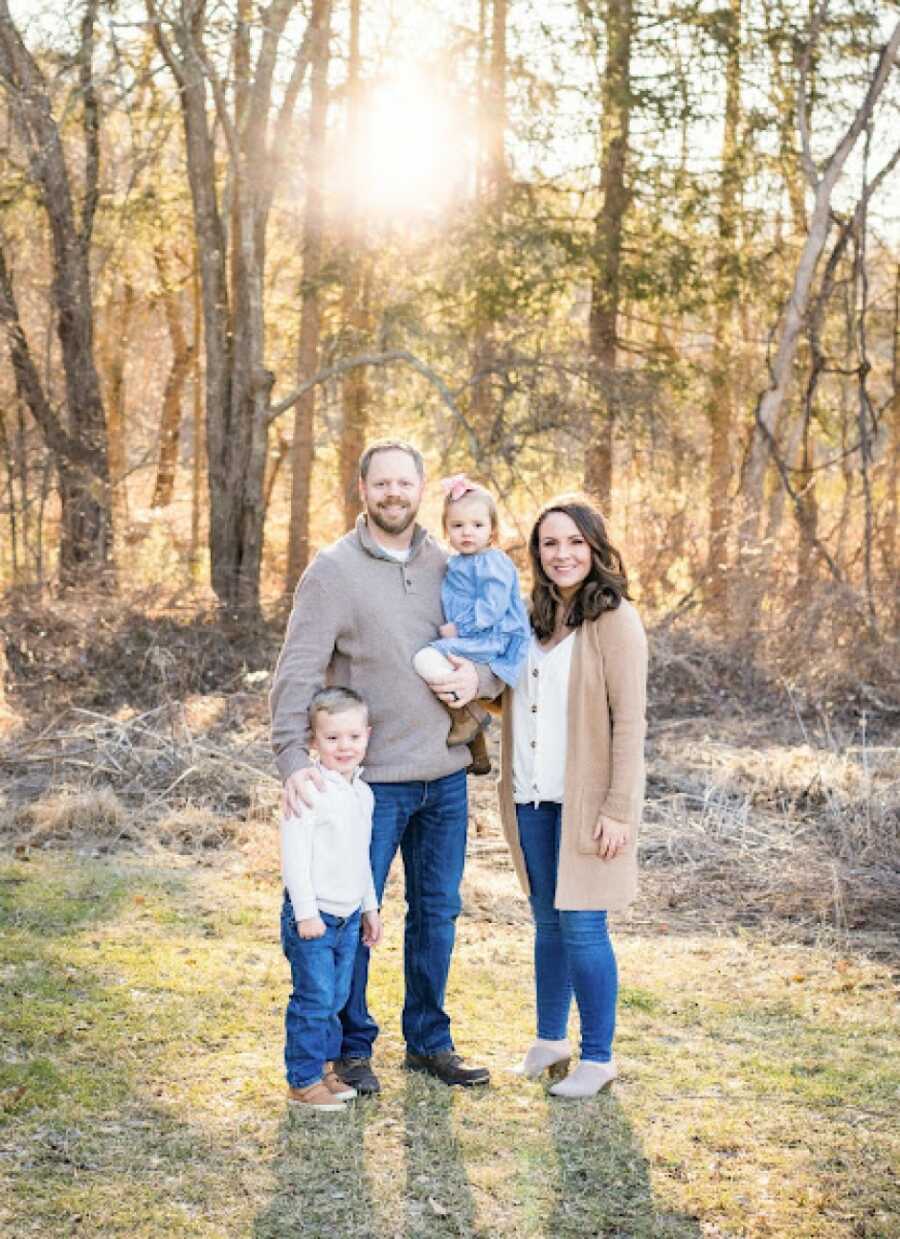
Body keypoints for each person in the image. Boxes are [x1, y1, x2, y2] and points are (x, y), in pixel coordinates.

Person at [270, 440, 501, 1094]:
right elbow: (296, 673)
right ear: (363, 489)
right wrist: (292, 758)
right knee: (349, 917)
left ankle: (429, 1040)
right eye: (382, 484)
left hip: (445, 778)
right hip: (366, 788)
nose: (394, 493)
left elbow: (491, 642)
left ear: (422, 487)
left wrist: (478, 676)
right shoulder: (332, 570)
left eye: (405, 482)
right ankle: (350, 1048)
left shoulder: (449, 563)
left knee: (438, 913)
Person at [496, 495, 647, 1099]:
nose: (562, 554)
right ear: (537, 552)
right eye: (549, 543)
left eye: (574, 543)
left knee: (583, 927)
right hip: (531, 794)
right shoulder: (531, 616)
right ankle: (551, 1038)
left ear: (595, 547)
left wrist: (617, 808)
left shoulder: (613, 620)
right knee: (546, 923)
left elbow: (631, 723)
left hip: (587, 802)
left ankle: (600, 1055)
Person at [280, 687, 382, 1113]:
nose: (345, 747)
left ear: (367, 736)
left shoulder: (364, 794)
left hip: (346, 916)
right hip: (315, 915)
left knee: (336, 999)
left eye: (353, 737)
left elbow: (361, 859)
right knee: (313, 998)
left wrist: (370, 908)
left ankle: (323, 1069)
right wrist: (305, 913)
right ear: (313, 742)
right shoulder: (309, 790)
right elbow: (294, 857)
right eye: (332, 738)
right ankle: (302, 1081)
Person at [412, 475, 530, 774]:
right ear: (446, 529)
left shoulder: (492, 561)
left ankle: (470, 717)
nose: (467, 533)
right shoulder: (456, 562)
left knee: (425, 658)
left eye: (477, 525)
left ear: (492, 529)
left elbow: (492, 608)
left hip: (493, 637)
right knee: (440, 669)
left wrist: (458, 628)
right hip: (477, 636)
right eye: (458, 526)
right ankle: (472, 735)